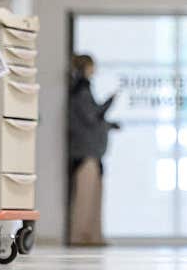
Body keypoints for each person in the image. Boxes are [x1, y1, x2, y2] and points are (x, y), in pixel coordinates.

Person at [67, 54, 120, 245]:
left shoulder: (82, 90)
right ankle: (81, 236)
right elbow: (92, 117)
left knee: (93, 196)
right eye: (91, 66)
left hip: (92, 153)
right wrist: (109, 102)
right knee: (85, 198)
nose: (94, 70)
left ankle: (92, 236)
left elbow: (93, 118)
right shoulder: (81, 91)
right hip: (85, 154)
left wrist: (108, 124)